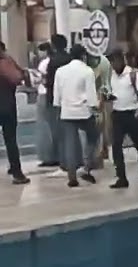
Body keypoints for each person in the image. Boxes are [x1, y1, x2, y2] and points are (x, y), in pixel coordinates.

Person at [52, 44, 100, 187]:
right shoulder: (87, 71)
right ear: (83, 56)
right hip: (84, 112)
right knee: (93, 137)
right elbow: (91, 96)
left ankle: (72, 177)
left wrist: (58, 109)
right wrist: (95, 110)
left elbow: (57, 95)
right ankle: (87, 166)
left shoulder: (60, 71)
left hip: (67, 112)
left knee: (70, 144)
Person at [105, 49, 138, 188]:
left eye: (115, 61)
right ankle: (121, 177)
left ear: (121, 60)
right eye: (111, 62)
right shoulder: (111, 76)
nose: (113, 64)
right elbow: (110, 90)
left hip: (132, 113)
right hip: (118, 113)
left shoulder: (133, 74)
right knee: (117, 146)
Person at [0, 41, 28, 184]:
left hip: (6, 105)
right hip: (7, 106)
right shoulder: (6, 62)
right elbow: (19, 77)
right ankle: (17, 173)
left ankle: (14, 169)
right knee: (11, 140)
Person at [42, 34, 71, 168]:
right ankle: (71, 158)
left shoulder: (53, 62)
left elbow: (49, 83)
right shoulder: (69, 58)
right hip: (69, 99)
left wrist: (49, 101)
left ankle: (62, 160)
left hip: (56, 100)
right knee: (70, 132)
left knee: (57, 131)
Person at [32, 42, 57, 167]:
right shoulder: (55, 61)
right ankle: (56, 155)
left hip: (43, 95)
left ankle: (48, 156)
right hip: (53, 96)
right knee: (54, 127)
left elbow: (40, 79)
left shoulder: (44, 63)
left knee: (44, 128)